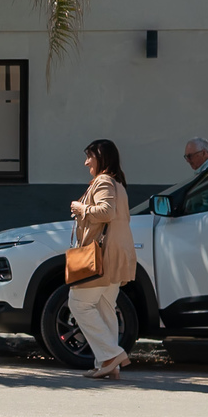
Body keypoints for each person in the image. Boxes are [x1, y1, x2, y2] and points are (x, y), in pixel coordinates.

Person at [68, 139, 137, 380]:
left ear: (101, 157)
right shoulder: (118, 183)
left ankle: (111, 355)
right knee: (104, 306)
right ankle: (108, 365)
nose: (86, 162)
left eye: (90, 157)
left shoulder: (104, 181)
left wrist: (81, 208)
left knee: (78, 303)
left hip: (102, 254)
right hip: (118, 252)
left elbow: (107, 212)